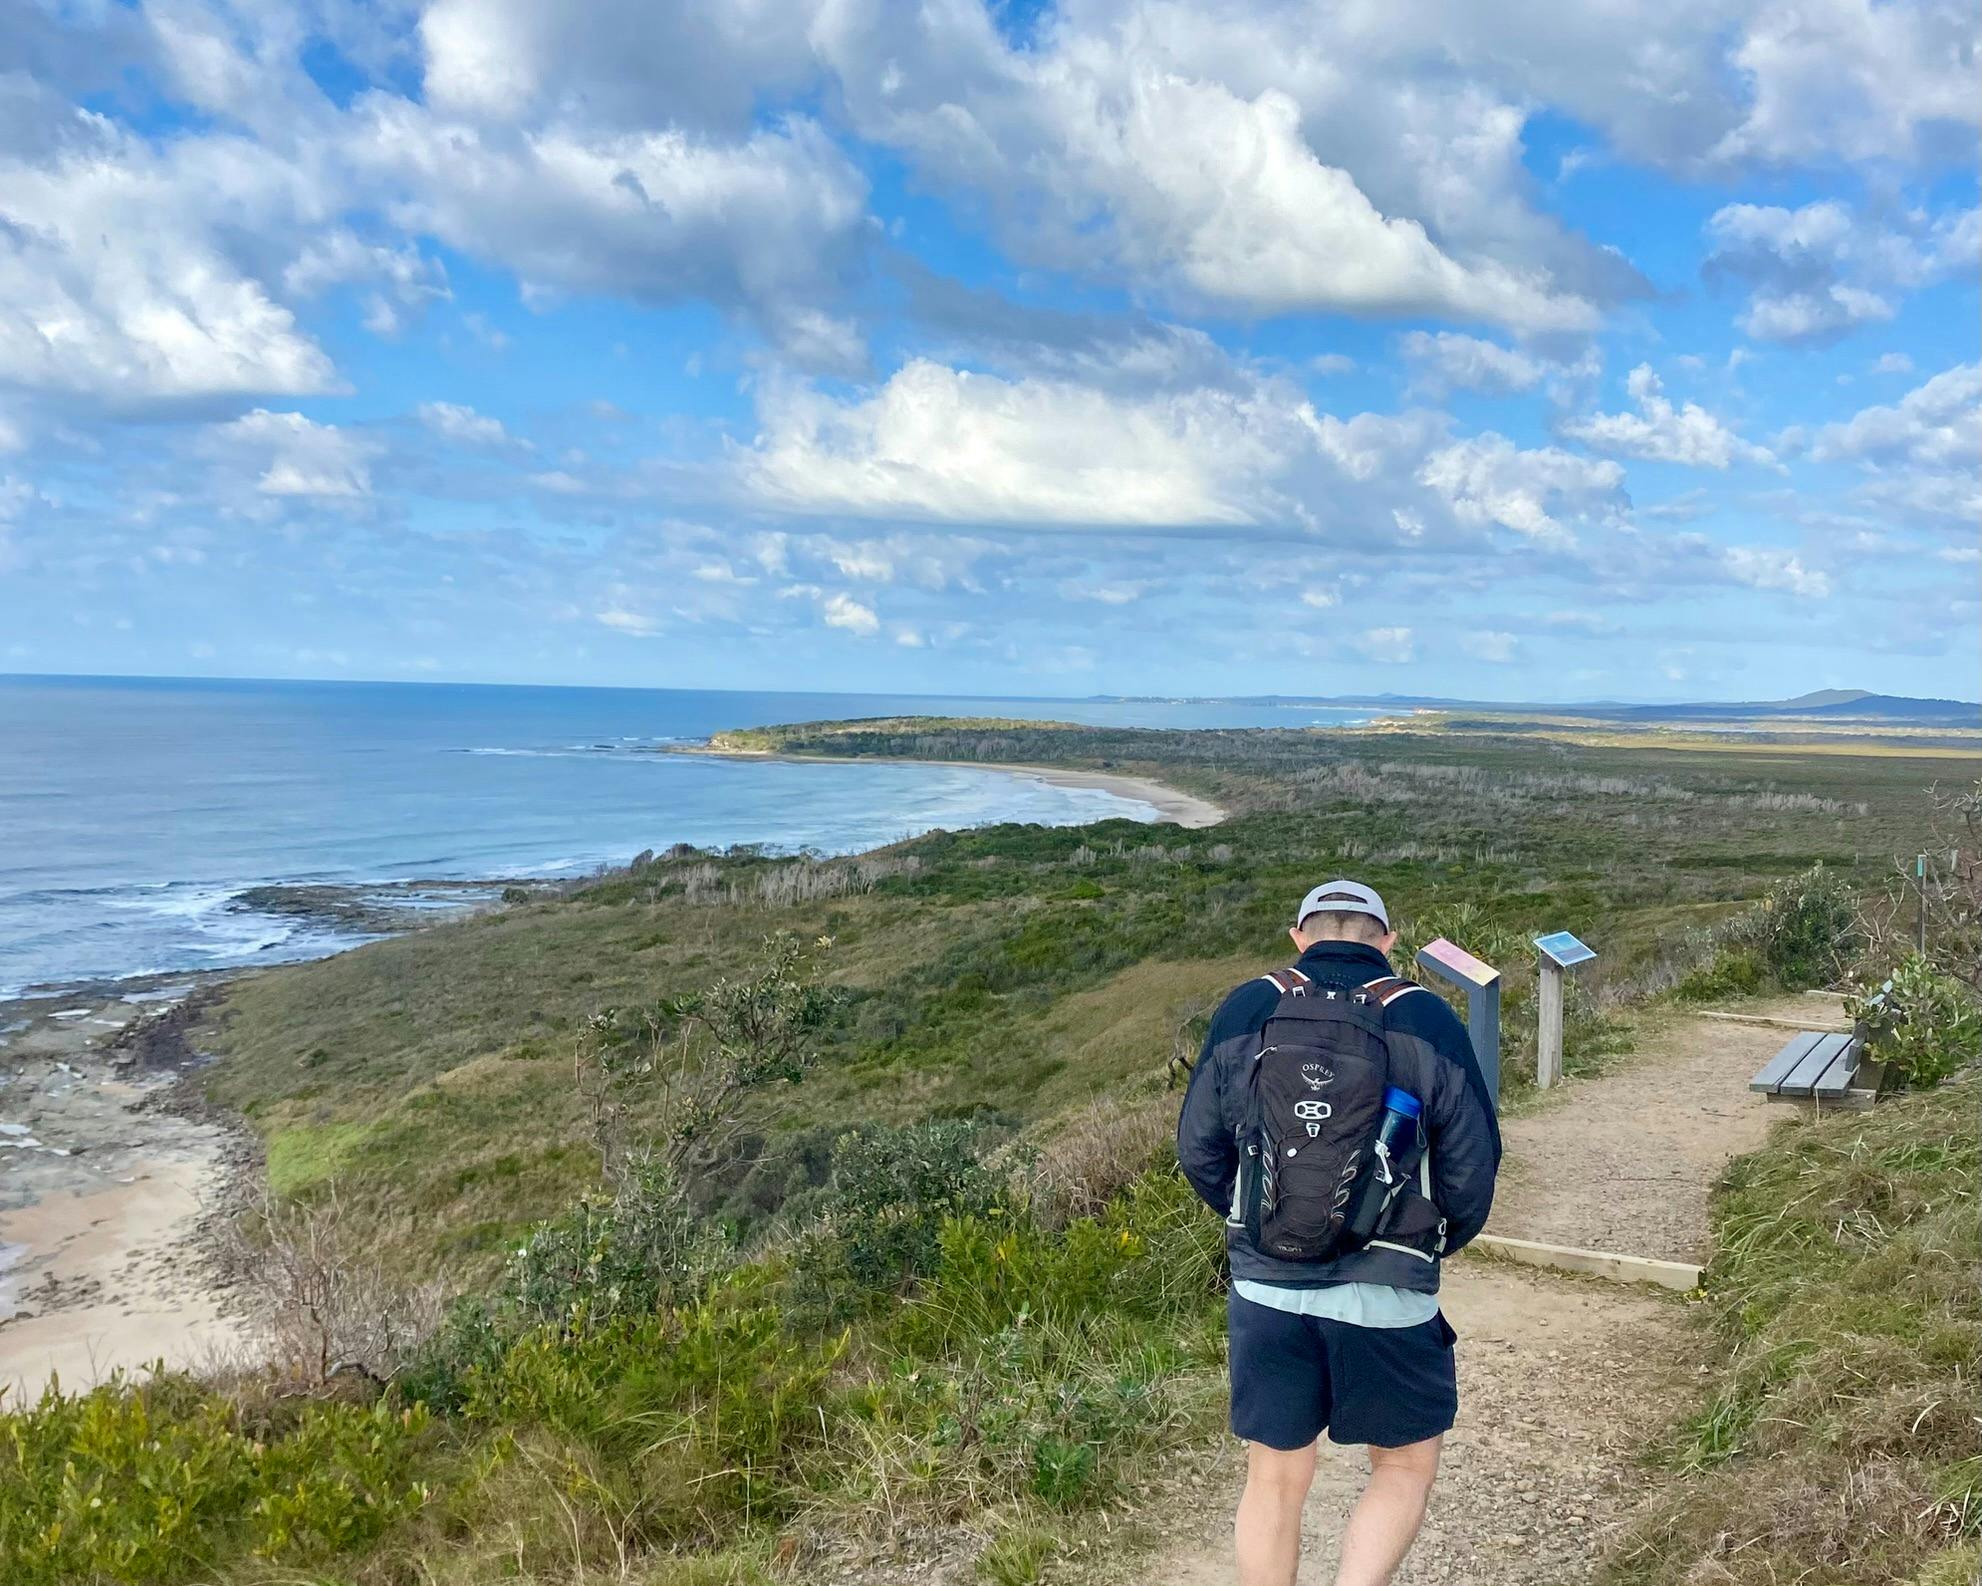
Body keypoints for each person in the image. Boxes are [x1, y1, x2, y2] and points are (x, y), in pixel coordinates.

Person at [1176, 880, 1501, 1586]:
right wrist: (1431, 1241)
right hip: (1389, 1286)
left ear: (1300, 935)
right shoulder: (1426, 1018)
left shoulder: (1248, 1005)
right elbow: (1473, 1167)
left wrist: (1260, 1225)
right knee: (1405, 1462)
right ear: (1387, 941)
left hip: (1266, 1287)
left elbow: (1199, 1149)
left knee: (1275, 1476)